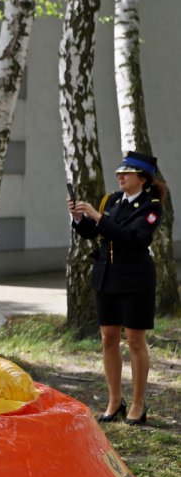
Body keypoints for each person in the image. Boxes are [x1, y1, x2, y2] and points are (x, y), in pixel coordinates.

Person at [68, 151, 164, 425]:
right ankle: (114, 400)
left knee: (135, 341)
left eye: (127, 173)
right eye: (119, 173)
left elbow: (133, 238)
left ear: (142, 178)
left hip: (135, 279)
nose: (120, 177)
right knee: (108, 338)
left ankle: (138, 403)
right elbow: (93, 232)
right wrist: (79, 218)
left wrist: (98, 217)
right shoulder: (112, 200)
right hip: (107, 277)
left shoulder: (151, 206)